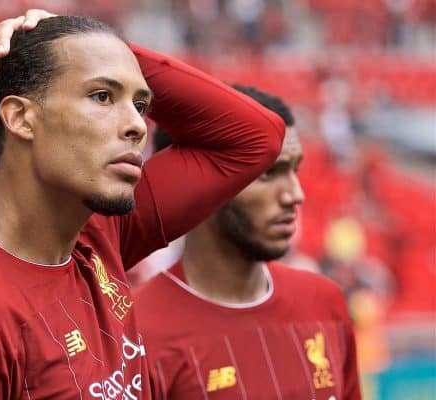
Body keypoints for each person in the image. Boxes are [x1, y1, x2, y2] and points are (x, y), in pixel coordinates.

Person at [0, 11, 285, 400]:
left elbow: (258, 136)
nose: (137, 126)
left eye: (142, 105)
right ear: (21, 118)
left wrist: (98, 48)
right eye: (103, 96)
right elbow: (250, 141)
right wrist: (78, 48)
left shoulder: (99, 236)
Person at [134, 85, 361, 400]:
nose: (295, 194)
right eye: (268, 173)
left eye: (294, 170)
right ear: (194, 185)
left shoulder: (325, 302)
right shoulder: (134, 333)